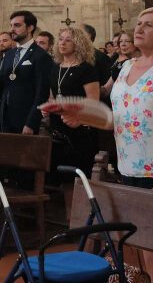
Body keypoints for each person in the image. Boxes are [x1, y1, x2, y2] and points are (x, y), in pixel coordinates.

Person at [58, 7, 153, 283]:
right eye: (139, 24)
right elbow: (118, 119)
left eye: (148, 25)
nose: (139, 29)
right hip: (130, 163)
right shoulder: (127, 66)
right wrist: (83, 117)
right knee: (145, 233)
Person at [46, 27, 99, 213]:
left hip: (79, 129)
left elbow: (93, 101)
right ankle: (71, 217)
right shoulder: (55, 68)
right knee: (64, 176)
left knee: (79, 174)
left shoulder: (86, 69)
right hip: (59, 127)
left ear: (78, 44)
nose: (62, 43)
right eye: (60, 39)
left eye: (68, 40)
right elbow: (53, 95)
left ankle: (83, 215)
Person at [0, 11, 53, 135]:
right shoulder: (10, 54)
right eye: (11, 25)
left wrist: (31, 123)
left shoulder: (41, 56)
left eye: (17, 25)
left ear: (30, 27)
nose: (12, 29)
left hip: (26, 118)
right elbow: (4, 84)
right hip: (6, 116)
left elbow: (41, 93)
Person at [102, 29, 136, 95]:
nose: (122, 44)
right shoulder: (119, 59)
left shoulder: (135, 62)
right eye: (120, 41)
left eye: (127, 41)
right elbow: (108, 86)